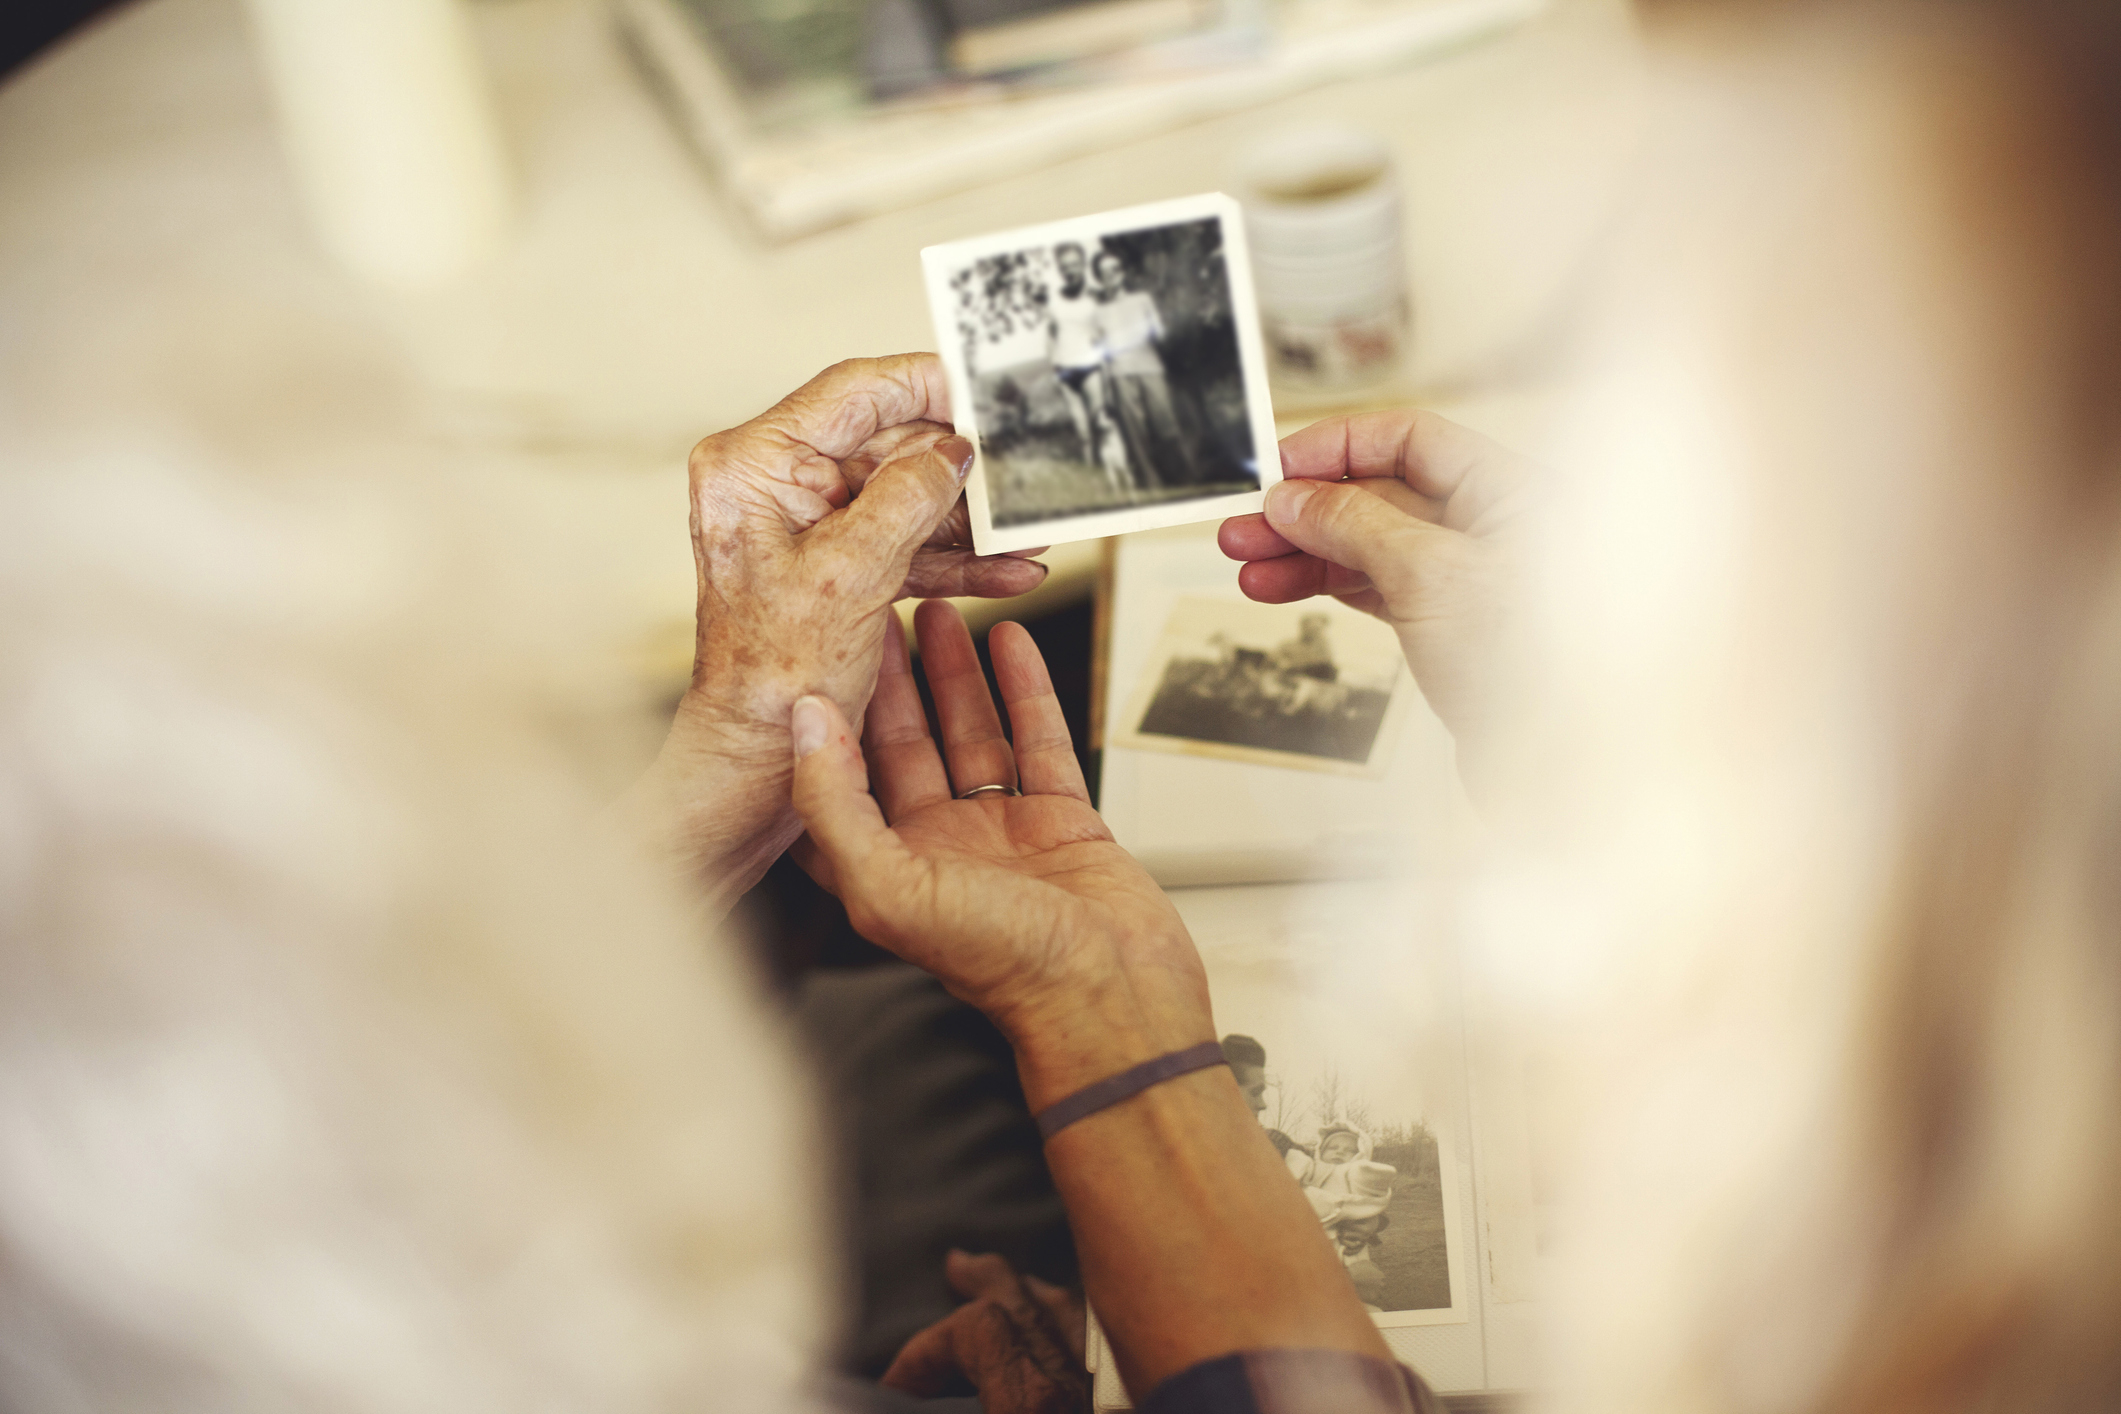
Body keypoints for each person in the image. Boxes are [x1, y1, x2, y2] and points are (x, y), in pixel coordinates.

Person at [1091, 250, 1195, 490]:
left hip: (1150, 368)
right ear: (1099, 278)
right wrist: (1106, 391)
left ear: (1123, 272)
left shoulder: (1141, 300)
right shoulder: (1098, 313)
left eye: (1115, 269)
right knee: (1135, 436)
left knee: (1166, 424)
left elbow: (1158, 333)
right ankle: (1152, 484)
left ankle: (1184, 480)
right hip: (1119, 374)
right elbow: (1102, 355)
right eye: (1104, 273)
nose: (1111, 276)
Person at [1045, 241, 1121, 487]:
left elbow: (1106, 332)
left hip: (1091, 367)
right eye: (1065, 266)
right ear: (1060, 270)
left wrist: (1107, 364)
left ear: (1083, 265)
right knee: (1082, 431)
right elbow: (1052, 335)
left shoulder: (1096, 297)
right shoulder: (1055, 302)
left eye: (1075, 264)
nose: (1070, 270)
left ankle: (1115, 478)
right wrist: (1053, 367)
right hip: (1065, 369)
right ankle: (1094, 481)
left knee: (1100, 422)